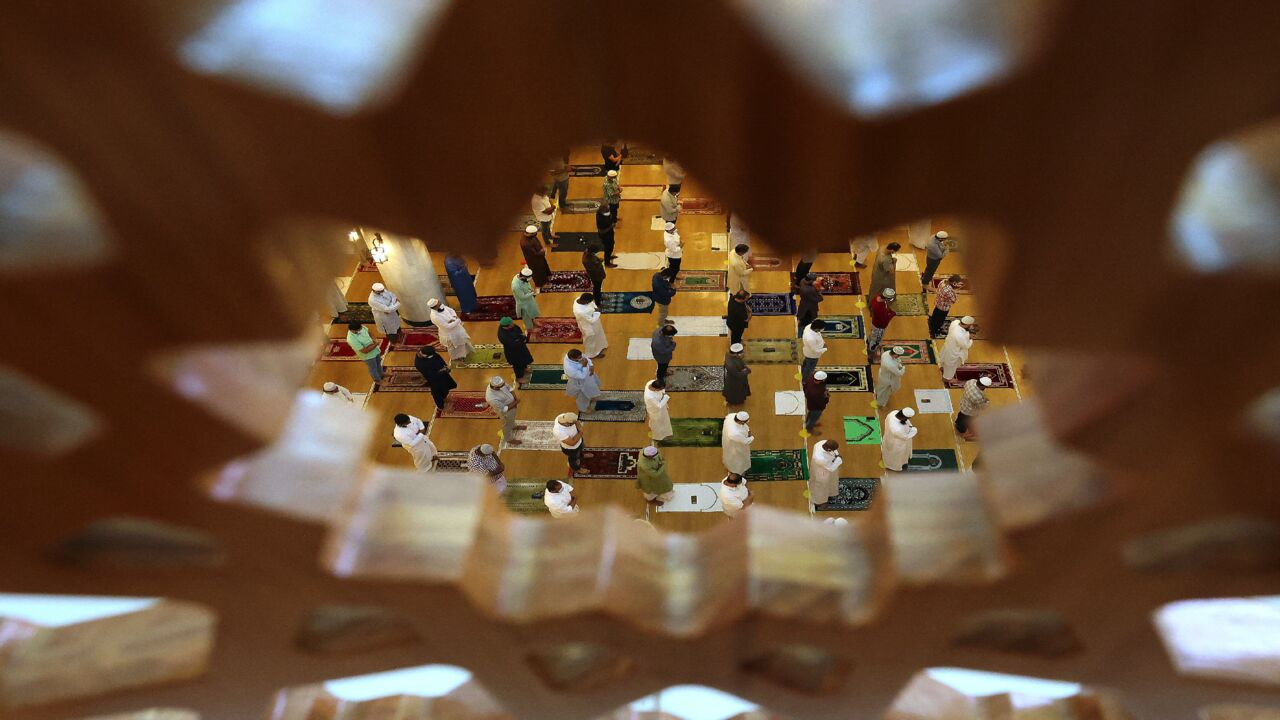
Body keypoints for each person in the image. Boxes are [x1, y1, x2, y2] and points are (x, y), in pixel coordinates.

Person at [414, 345, 456, 410]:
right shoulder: (420, 362)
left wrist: (445, 366)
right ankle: (441, 406)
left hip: (442, 374)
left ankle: (445, 397)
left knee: (445, 386)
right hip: (433, 379)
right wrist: (441, 371)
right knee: (437, 393)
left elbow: (440, 359)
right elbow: (430, 375)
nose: (419, 353)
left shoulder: (434, 355)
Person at [486, 376, 524, 445]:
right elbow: (504, 409)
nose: (504, 385)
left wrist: (515, 399)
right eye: (502, 386)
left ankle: (514, 426)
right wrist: (515, 403)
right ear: (495, 388)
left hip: (512, 405)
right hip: (506, 411)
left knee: (511, 419)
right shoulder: (491, 398)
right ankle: (509, 439)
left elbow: (509, 388)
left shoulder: (499, 383)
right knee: (507, 424)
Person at [956, 375, 993, 440]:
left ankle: (958, 425)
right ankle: (964, 432)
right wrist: (987, 402)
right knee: (967, 421)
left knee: (961, 416)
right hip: (970, 411)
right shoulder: (978, 396)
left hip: (964, 404)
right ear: (983, 386)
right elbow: (982, 407)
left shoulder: (971, 381)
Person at [882, 407, 919, 471]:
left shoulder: (893, 413)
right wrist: (914, 430)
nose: (908, 420)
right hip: (898, 444)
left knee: (889, 454)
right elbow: (905, 437)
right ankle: (894, 467)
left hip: (889, 439)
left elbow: (908, 423)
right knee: (897, 458)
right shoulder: (897, 429)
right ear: (904, 417)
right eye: (907, 418)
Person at [497, 317, 533, 383]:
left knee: (524, 359)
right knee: (517, 365)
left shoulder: (512, 326)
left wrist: (520, 338)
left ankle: (525, 368)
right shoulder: (503, 335)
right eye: (511, 324)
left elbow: (520, 333)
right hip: (513, 352)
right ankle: (519, 378)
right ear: (506, 327)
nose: (513, 324)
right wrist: (520, 339)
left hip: (520, 347)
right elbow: (513, 344)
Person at [554, 412, 590, 477]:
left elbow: (576, 422)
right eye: (573, 423)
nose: (575, 423)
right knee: (573, 460)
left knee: (581, 449)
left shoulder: (563, 416)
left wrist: (579, 429)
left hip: (579, 440)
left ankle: (582, 455)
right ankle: (577, 469)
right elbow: (572, 443)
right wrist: (581, 432)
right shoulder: (559, 431)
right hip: (571, 449)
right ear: (568, 424)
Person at [809, 440, 843, 508]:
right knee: (821, 486)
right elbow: (831, 468)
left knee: (832, 481)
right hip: (822, 470)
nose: (835, 451)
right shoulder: (819, 457)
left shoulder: (823, 442)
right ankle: (819, 502)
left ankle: (830, 493)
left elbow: (835, 452)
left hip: (830, 464)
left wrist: (836, 456)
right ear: (828, 449)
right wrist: (839, 460)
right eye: (832, 450)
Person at [940, 316, 976, 380]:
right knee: (951, 367)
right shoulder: (960, 335)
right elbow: (966, 346)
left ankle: (943, 368)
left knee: (945, 360)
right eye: (970, 325)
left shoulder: (955, 323)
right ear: (967, 325)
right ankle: (946, 378)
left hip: (948, 346)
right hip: (954, 352)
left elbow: (956, 320)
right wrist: (971, 339)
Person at [573, 293, 608, 358]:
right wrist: (598, 312)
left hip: (595, 322)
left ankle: (600, 347)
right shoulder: (580, 311)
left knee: (598, 335)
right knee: (591, 341)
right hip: (588, 326)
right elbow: (591, 320)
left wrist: (595, 308)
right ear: (585, 301)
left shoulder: (578, 299)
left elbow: (592, 304)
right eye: (589, 302)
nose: (590, 302)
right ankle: (593, 355)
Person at [722, 411, 754, 475]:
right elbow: (746, 441)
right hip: (736, 447)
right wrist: (751, 437)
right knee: (738, 460)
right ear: (741, 422)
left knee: (729, 457)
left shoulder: (731, 416)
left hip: (729, 443)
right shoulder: (735, 433)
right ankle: (737, 472)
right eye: (746, 421)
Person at [867, 288, 897, 357]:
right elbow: (885, 319)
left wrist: (890, 311)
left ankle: (869, 341)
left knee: (873, 333)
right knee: (876, 339)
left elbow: (886, 307)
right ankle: (872, 351)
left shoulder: (877, 297)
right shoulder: (880, 308)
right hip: (879, 325)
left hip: (875, 322)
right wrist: (892, 314)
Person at [795, 272, 824, 337]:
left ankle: (801, 333)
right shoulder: (810, 290)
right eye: (814, 280)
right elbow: (820, 299)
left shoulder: (802, 280)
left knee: (802, 319)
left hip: (803, 305)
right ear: (810, 280)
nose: (815, 281)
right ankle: (801, 336)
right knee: (805, 322)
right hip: (809, 309)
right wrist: (819, 291)